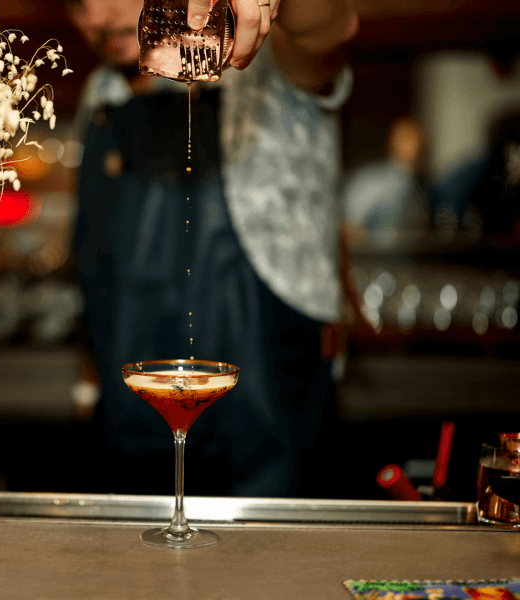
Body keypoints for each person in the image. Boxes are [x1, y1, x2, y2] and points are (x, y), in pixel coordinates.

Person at [67, 0, 359, 497]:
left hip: (267, 423)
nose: (95, 19)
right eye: (77, 3)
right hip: (131, 428)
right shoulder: (101, 93)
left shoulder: (272, 64)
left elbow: (333, 27)